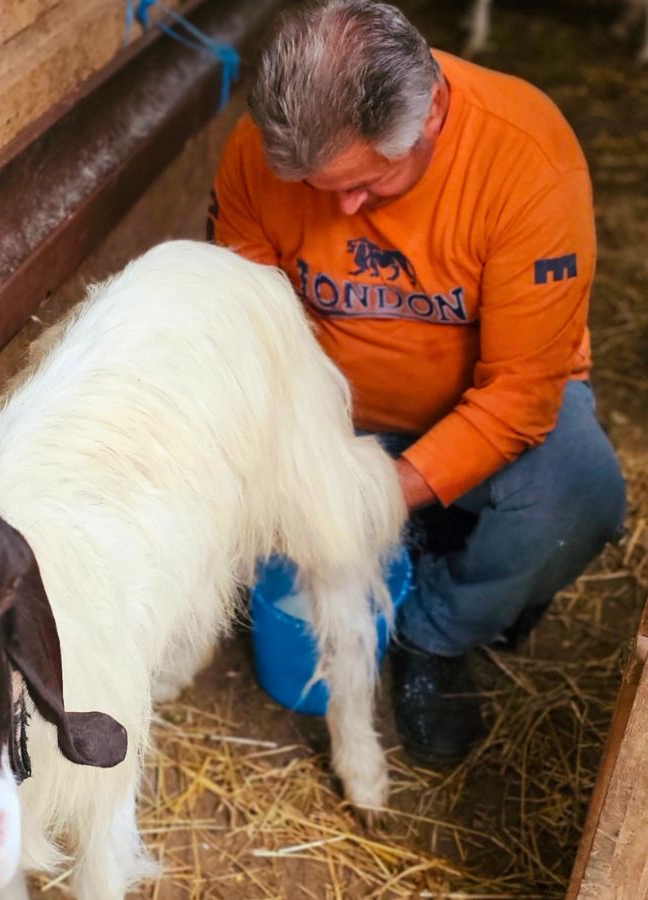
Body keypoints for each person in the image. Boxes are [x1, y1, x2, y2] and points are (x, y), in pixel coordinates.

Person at [208, 0, 627, 766]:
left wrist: (366, 498)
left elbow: (521, 396)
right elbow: (247, 326)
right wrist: (292, 453)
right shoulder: (256, 155)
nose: (345, 211)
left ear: (432, 113)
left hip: (479, 409)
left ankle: (436, 630)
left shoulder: (526, 158)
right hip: (329, 414)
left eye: (368, 184)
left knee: (578, 492)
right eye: (315, 186)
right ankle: (424, 535)